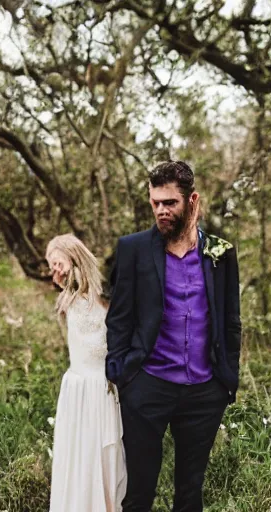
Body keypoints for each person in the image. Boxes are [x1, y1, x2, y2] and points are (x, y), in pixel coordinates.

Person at [105, 161, 242, 511]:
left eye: (170, 203)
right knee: (139, 494)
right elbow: (119, 318)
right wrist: (123, 377)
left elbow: (231, 321)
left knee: (190, 494)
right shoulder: (133, 249)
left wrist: (227, 378)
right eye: (155, 203)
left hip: (204, 392)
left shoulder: (221, 254)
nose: (161, 210)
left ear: (192, 201)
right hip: (148, 386)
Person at [46, 234, 127, 512]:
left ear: (73, 257)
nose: (54, 271)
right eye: (50, 265)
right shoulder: (67, 299)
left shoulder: (104, 296)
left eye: (57, 263)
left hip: (101, 387)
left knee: (103, 458)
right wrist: (64, 275)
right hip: (77, 389)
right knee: (78, 459)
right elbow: (71, 284)